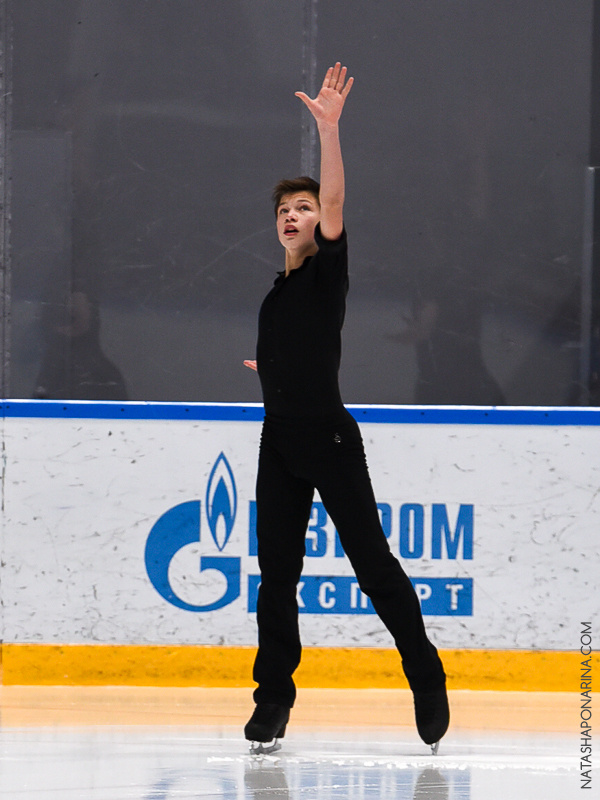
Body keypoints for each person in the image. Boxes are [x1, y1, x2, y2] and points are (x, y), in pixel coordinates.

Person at [243, 63, 449, 754]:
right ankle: (273, 700)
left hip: (330, 441)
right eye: (283, 212)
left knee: (371, 563)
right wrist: (269, 366)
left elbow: (334, 201)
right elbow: (294, 356)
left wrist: (328, 132)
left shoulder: (327, 275)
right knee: (277, 576)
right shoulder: (278, 293)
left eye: (301, 209)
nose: (292, 216)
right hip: (280, 445)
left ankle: (424, 672)